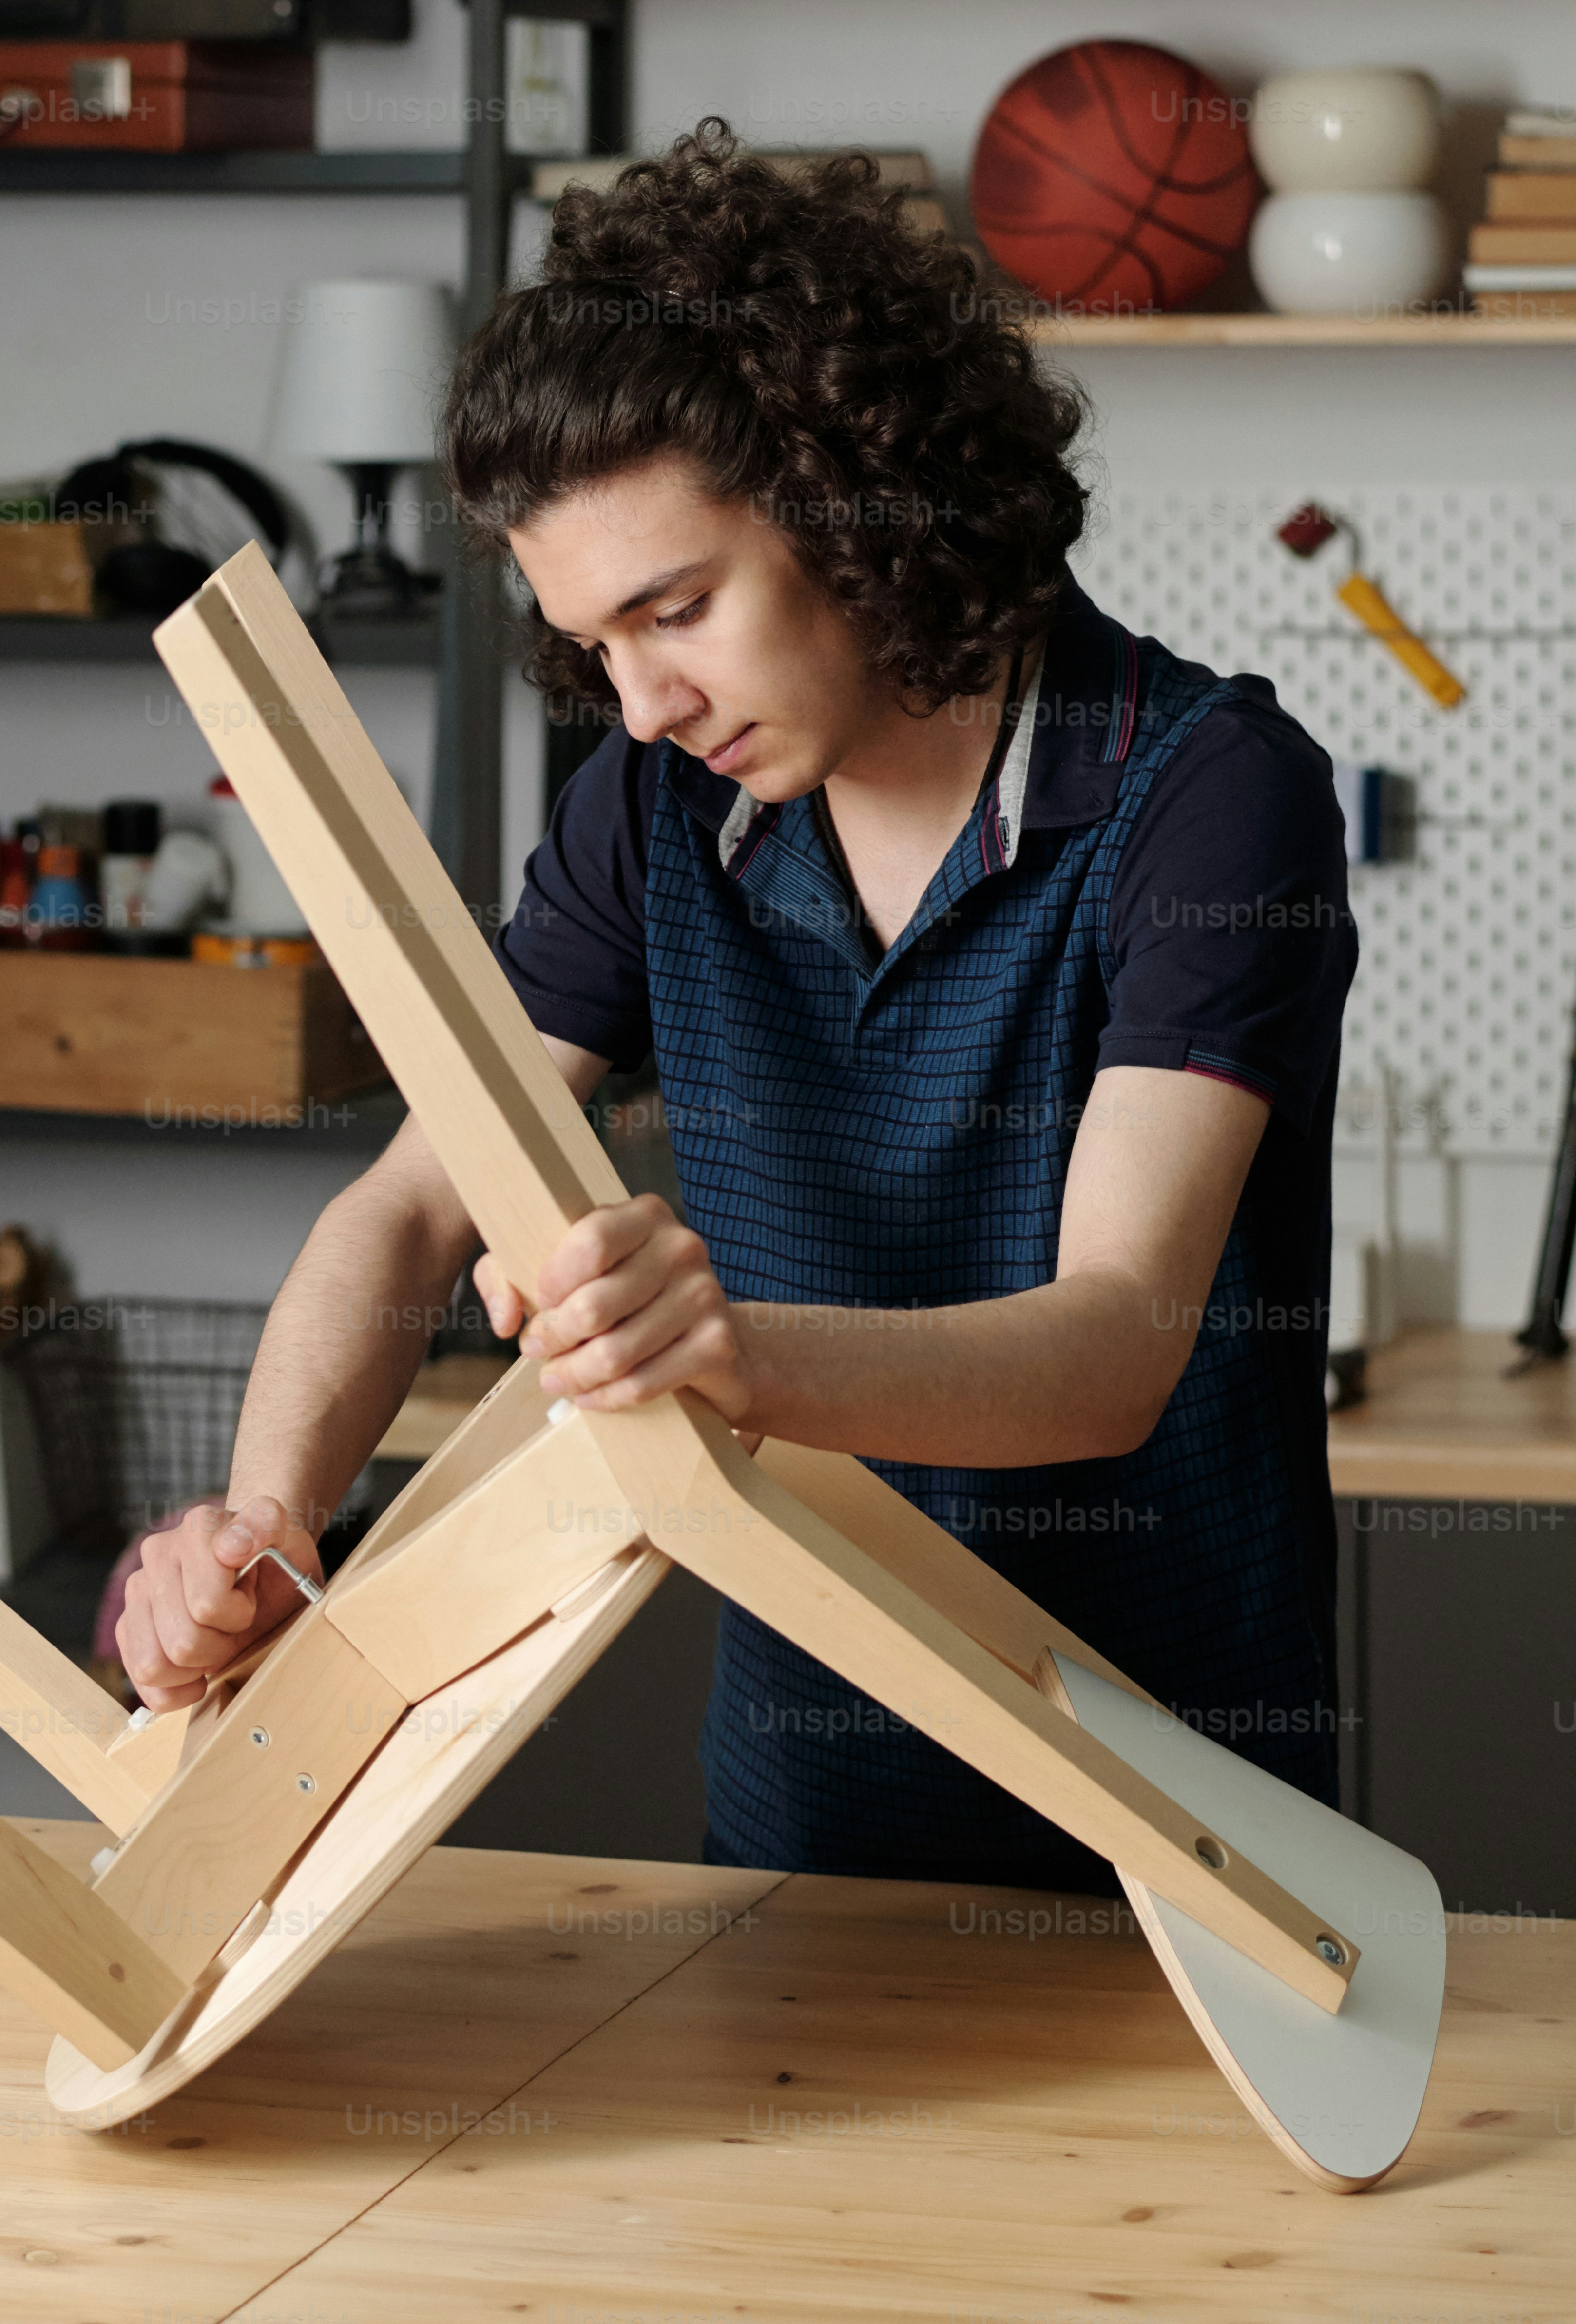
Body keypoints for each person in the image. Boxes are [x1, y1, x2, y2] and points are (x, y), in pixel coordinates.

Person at [113, 123, 1359, 1890]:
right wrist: (267, 1537)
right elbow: (408, 1209)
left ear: (861, 495)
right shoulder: (659, 809)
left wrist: (727, 1352)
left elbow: (1111, 1348)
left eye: (678, 610)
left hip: (1177, 1848)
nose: (640, 704)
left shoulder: (1205, 795)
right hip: (805, 1824)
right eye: (597, 643)